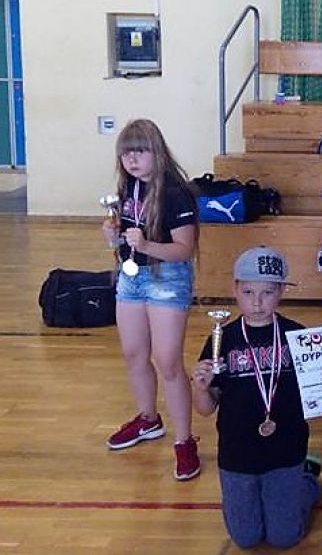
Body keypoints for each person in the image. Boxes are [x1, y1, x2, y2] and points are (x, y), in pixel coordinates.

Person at [191, 246, 322, 548]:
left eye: (267, 292)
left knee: (285, 538)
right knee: (245, 539)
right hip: (237, 457)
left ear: (281, 292)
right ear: (235, 290)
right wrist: (200, 388)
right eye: (248, 292)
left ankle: (307, 479)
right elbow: (205, 410)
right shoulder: (222, 340)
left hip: (286, 452)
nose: (257, 302)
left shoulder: (298, 337)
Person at [102, 118, 201, 481]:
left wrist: (145, 245)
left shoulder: (175, 193)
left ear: (156, 152)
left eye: (140, 151)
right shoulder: (128, 188)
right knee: (133, 353)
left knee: (168, 361)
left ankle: (184, 441)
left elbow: (184, 249)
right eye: (126, 152)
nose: (132, 159)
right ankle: (148, 419)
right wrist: (113, 237)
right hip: (131, 277)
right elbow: (127, 235)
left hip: (167, 278)